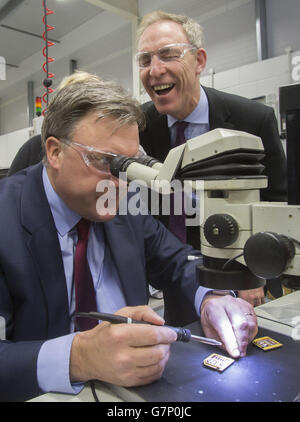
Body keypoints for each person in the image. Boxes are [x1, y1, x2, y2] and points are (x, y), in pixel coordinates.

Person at [0, 72, 257, 402]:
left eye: (130, 164)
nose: (120, 183)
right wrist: (79, 357)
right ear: (55, 152)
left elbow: (178, 261)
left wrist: (212, 298)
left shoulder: (123, 204)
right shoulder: (7, 219)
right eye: (106, 161)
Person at [136, 10, 288, 307]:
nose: (154, 70)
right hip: (169, 274)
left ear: (199, 61)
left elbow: (274, 204)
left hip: (239, 275)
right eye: (145, 60)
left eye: (168, 55)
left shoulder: (252, 120)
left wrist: (253, 269)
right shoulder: (138, 126)